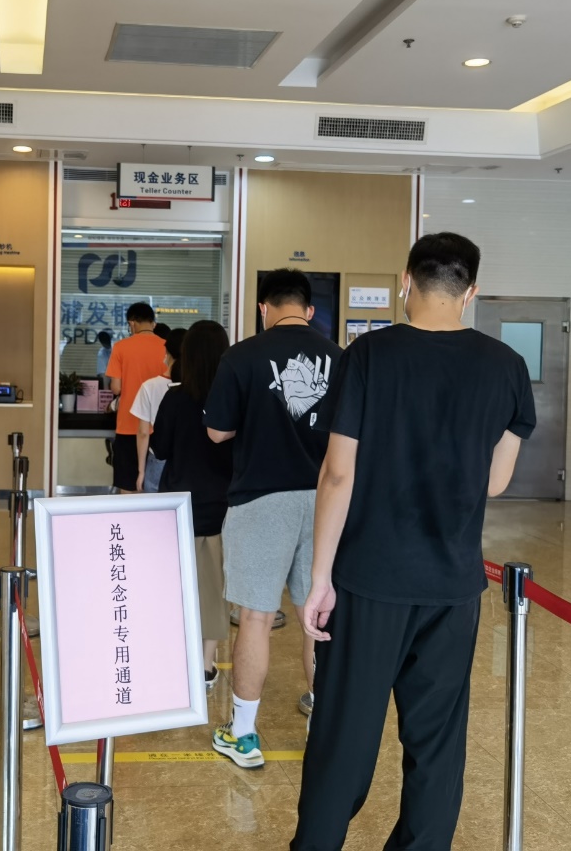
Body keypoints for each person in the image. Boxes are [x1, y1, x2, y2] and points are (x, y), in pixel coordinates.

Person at [291, 233, 535, 849]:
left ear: (406, 280)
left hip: (369, 580)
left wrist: (319, 579)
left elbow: (338, 473)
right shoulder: (507, 366)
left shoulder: (369, 355)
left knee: (344, 736)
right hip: (453, 585)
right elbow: (496, 482)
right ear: (470, 292)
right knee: (437, 744)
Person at [204, 269, 341, 768]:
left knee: (257, 618)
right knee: (316, 620)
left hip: (261, 499)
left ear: (263, 308)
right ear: (309, 310)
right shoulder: (340, 359)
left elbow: (217, 432)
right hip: (325, 500)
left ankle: (243, 735)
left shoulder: (241, 356)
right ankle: (323, 728)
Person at [151, 320, 232, 686]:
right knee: (214, 586)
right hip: (221, 506)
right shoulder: (234, 397)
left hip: (177, 506)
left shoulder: (174, 397)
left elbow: (160, 449)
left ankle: (174, 656)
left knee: (174, 583)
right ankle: (205, 663)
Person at [105, 302, 167, 494]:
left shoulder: (121, 347)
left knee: (129, 486)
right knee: (158, 487)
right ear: (152, 322)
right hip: (160, 425)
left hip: (129, 425)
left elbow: (116, 388)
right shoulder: (166, 347)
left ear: (132, 323)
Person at [132, 327, 185, 493]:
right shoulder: (196, 387)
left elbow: (143, 433)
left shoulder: (149, 386)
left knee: (157, 506)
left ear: (167, 353)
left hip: (158, 458)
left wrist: (141, 471)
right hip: (186, 457)